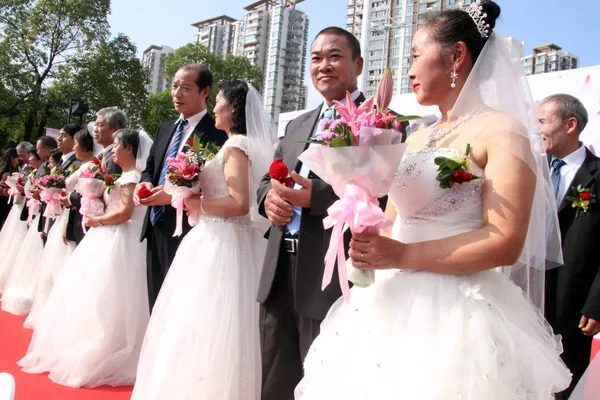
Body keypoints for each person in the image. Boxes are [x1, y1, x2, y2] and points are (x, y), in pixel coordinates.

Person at [294, 2, 572, 398]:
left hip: (456, 314)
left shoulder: (503, 132)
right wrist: (365, 224)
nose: (407, 71)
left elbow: (505, 241)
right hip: (388, 302)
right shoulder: (419, 136)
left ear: (456, 56)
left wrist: (401, 256)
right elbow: (392, 219)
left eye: (414, 57)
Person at [256, 26, 379, 399]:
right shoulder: (296, 125)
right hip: (280, 268)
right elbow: (266, 180)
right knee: (276, 374)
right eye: (316, 57)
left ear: (358, 64)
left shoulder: (381, 122)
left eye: (335, 56)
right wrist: (268, 200)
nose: (323, 65)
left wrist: (319, 199)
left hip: (332, 272)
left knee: (325, 378)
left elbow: (383, 197)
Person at [132, 80, 273, 400]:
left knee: (215, 325)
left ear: (232, 108)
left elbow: (239, 203)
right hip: (215, 238)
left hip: (224, 241)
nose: (216, 109)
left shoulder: (237, 145)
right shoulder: (231, 145)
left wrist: (198, 204)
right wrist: (178, 192)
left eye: (220, 102)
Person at [19, 129, 152, 388]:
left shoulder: (132, 176)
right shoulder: (122, 175)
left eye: (116, 144)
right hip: (107, 236)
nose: (112, 149)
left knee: (109, 295)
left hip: (119, 237)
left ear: (128, 149)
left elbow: (125, 212)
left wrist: (97, 220)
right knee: (95, 293)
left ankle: (107, 345)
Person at [134, 63, 227, 312]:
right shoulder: (166, 128)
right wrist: (144, 182)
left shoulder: (218, 132)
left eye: (185, 87)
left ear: (205, 92)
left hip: (191, 228)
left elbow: (220, 182)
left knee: (183, 306)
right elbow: (151, 168)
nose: (177, 93)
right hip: (155, 226)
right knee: (155, 300)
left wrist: (174, 195)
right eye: (174, 86)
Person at [539, 94, 600, 399]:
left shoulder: (597, 175)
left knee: (566, 383)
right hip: (527, 295)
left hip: (573, 305)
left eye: (543, 121)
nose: (537, 129)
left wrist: (597, 303)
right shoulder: (532, 172)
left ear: (571, 124)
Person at [24, 128, 95, 330]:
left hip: (73, 218)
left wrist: (64, 197)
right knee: (52, 265)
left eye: (68, 138)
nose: (66, 142)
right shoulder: (68, 163)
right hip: (60, 215)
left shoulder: (86, 165)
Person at [0, 150, 44, 292]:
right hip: (21, 208)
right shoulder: (30, 171)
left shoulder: (41, 171)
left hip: (30, 209)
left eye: (32, 156)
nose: (28, 159)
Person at [0, 148, 20, 228]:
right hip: (2, 202)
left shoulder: (2, 166)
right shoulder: (6, 171)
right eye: (17, 159)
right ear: (12, 158)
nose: (18, 162)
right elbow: (4, 188)